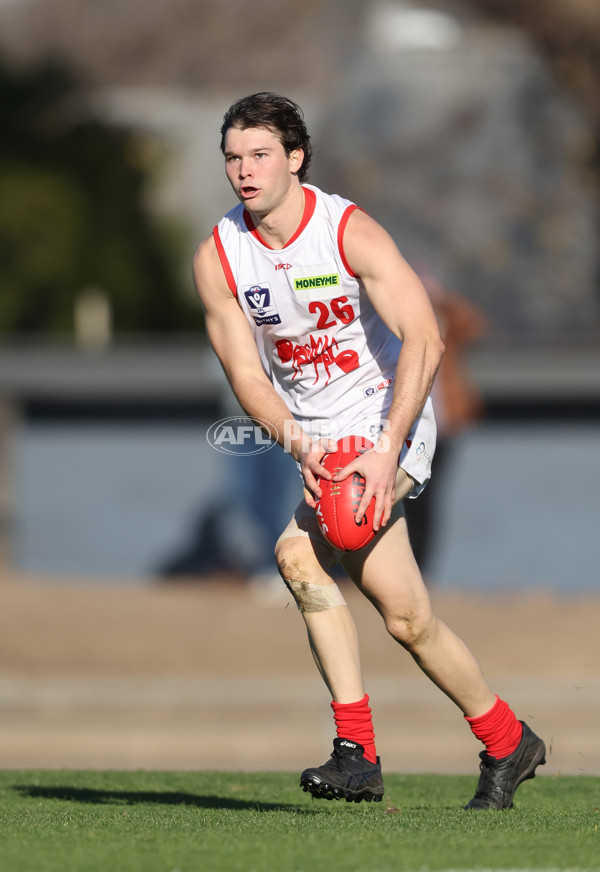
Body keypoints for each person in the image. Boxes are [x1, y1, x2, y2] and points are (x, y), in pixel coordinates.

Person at [193, 92, 546, 809]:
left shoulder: (347, 231)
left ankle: (356, 752)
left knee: (304, 550)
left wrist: (387, 450)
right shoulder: (219, 256)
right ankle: (508, 741)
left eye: (260, 154)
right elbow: (244, 375)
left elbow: (427, 336)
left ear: (296, 158)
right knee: (406, 617)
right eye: (233, 157)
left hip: (391, 420)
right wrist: (297, 443)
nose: (244, 170)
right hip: (317, 433)